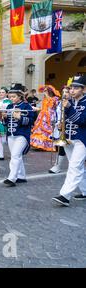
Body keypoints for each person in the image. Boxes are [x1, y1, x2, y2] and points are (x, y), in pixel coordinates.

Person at [52, 75, 86, 207]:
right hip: (68, 138)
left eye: (76, 88)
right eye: (71, 88)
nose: (72, 90)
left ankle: (64, 196)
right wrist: (61, 125)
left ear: (84, 90)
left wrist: (69, 108)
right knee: (76, 166)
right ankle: (85, 191)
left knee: (74, 166)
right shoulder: (69, 102)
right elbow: (67, 118)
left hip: (82, 139)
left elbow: (82, 120)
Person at [2, 83, 35, 187]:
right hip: (11, 134)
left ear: (20, 96)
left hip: (22, 135)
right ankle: (21, 176)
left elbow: (31, 121)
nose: (11, 98)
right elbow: (5, 124)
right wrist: (4, 118)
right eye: (10, 96)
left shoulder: (26, 106)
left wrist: (19, 117)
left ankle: (12, 178)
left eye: (14, 96)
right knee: (16, 156)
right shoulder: (9, 106)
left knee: (15, 156)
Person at [30, 85, 60, 151]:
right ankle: (40, 145)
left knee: (48, 130)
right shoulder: (45, 99)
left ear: (50, 91)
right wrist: (36, 108)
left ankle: (48, 146)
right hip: (42, 116)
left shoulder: (55, 98)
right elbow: (42, 107)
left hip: (50, 116)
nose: (44, 92)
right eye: (44, 91)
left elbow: (52, 105)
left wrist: (46, 95)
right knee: (40, 130)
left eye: (46, 90)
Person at [49, 86, 70, 174]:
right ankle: (58, 165)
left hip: (68, 127)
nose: (64, 94)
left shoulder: (72, 103)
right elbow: (58, 113)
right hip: (59, 126)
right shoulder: (60, 102)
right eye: (63, 92)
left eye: (67, 92)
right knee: (60, 146)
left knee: (68, 147)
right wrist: (55, 122)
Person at [0, 87, 11, 160]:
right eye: (0, 92)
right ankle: (1, 155)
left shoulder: (8, 101)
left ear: (6, 93)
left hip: (6, 121)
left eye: (3, 92)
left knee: (5, 139)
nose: (1, 94)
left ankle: (14, 152)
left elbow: (6, 110)